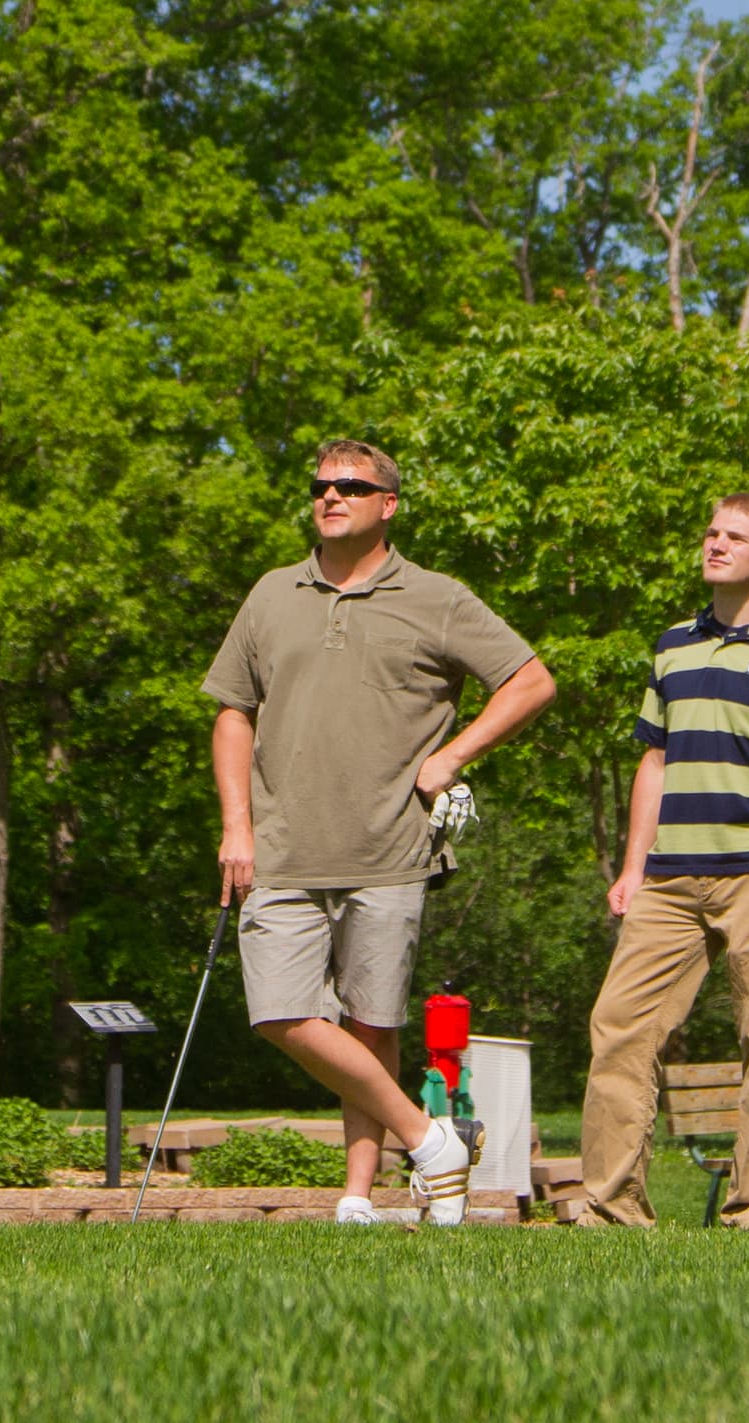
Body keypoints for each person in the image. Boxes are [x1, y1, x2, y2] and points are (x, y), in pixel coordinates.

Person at [204, 438, 558, 1225]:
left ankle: (359, 1197)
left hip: (390, 847)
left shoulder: (436, 597)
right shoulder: (271, 594)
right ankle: (431, 1140)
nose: (331, 495)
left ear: (388, 504)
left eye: (352, 485)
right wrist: (237, 825)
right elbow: (233, 711)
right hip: (281, 848)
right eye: (322, 485)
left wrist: (455, 754)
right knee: (279, 1013)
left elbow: (532, 680)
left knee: (373, 1023)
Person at [556, 494, 749, 1231]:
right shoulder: (672, 646)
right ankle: (611, 1205)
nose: (715, 542)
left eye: (734, 536)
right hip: (668, 878)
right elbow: (653, 762)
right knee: (619, 1025)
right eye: (711, 530)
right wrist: (632, 866)